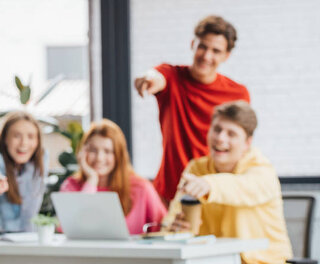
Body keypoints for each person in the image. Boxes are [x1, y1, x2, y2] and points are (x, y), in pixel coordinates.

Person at [134, 15, 250, 203]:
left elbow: (241, 146)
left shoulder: (238, 94)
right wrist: (147, 79)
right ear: (192, 44)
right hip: (169, 192)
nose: (206, 56)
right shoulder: (172, 77)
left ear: (226, 56)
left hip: (210, 192)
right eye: (202, 46)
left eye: (216, 50)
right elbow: (156, 76)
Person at [165, 101, 292, 263]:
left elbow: (244, 187)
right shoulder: (196, 169)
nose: (220, 138)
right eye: (217, 129)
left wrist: (209, 185)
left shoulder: (262, 170)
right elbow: (170, 221)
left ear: (247, 143)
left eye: (231, 134)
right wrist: (175, 229)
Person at [60, 119, 167, 235]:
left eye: (107, 151)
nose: (99, 158)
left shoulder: (141, 188)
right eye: (93, 150)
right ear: (83, 152)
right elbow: (70, 229)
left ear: (118, 155)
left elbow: (164, 227)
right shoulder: (70, 186)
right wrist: (91, 181)